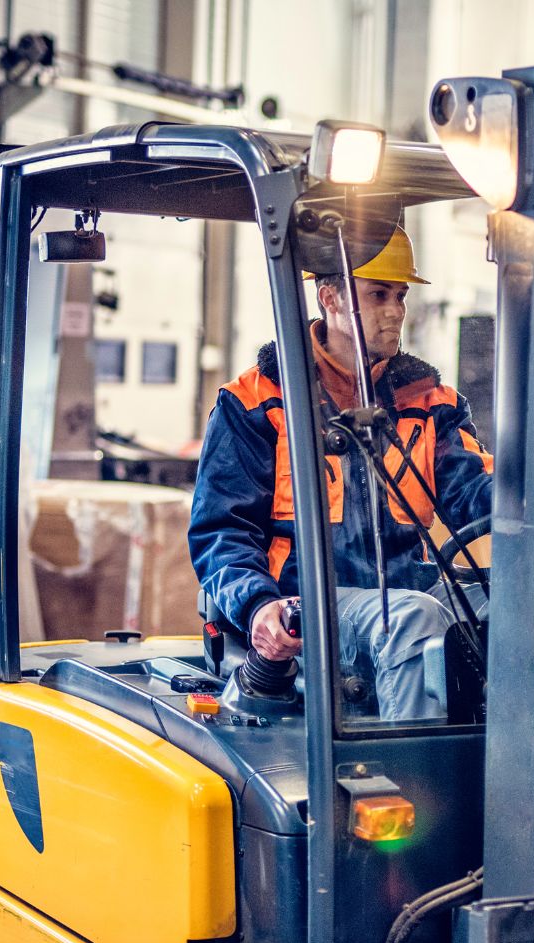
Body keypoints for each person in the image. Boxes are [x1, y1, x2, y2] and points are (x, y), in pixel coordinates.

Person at [188, 226, 493, 720]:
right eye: (378, 294)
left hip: (404, 586)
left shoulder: (429, 402)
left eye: (401, 295)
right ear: (329, 296)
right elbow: (221, 531)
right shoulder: (257, 402)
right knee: (410, 621)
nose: (395, 310)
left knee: (511, 609)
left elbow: (475, 493)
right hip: (304, 600)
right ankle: (417, 789)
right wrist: (257, 605)